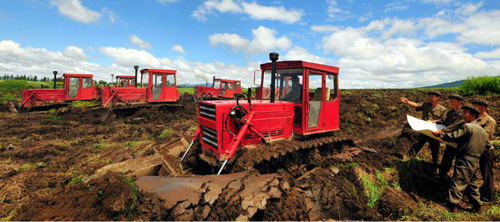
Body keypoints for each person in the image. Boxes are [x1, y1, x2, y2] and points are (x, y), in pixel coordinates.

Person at [433, 104, 488, 213]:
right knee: (472, 184)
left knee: (458, 181)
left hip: (465, 159)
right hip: (475, 160)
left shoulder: (467, 127)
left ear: (473, 116)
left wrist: (439, 135)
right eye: (463, 112)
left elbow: (453, 136)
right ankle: (477, 206)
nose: (463, 115)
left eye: (465, 113)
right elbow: (487, 145)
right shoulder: (482, 130)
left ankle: (451, 205)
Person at [400, 91, 447, 172]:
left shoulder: (443, 109)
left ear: (438, 98)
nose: (430, 97)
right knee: (417, 144)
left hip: (433, 132)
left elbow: (443, 120)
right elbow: (416, 105)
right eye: (430, 96)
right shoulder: (426, 105)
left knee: (435, 149)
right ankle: (406, 160)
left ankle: (436, 167)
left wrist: (434, 121)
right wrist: (408, 102)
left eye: (432, 96)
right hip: (424, 130)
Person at [471, 98, 497, 203]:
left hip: (486, 150)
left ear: (482, 107)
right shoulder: (474, 119)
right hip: (475, 148)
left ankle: (487, 196)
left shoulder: (489, 120)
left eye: (475, 106)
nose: (473, 108)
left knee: (486, 173)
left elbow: (486, 136)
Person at [437, 94, 464, 178]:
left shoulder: (463, 113)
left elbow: (455, 125)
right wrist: (435, 122)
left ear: (460, 102)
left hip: (459, 139)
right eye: (450, 100)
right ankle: (442, 173)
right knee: (447, 157)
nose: (451, 102)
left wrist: (442, 131)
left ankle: (457, 178)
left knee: (459, 161)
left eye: (453, 100)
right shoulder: (450, 113)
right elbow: (446, 123)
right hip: (450, 139)